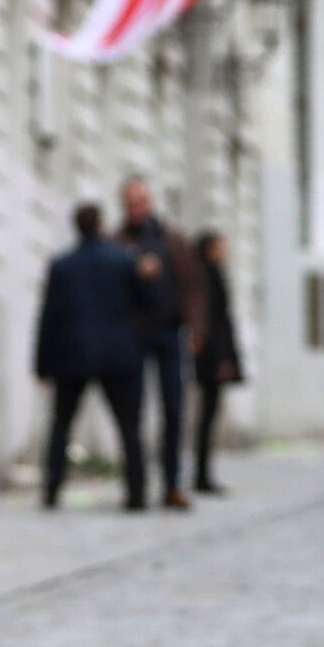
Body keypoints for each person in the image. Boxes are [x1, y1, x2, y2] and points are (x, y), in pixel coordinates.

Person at [36, 204, 149, 509]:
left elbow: (49, 316)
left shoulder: (62, 266)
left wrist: (42, 363)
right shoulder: (123, 261)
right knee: (128, 426)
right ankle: (137, 493)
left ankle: (51, 490)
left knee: (61, 425)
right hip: (118, 354)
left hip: (73, 354)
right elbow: (142, 304)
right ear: (100, 225)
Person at [116, 178, 205, 510]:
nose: (136, 208)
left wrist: (195, 328)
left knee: (174, 409)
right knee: (132, 413)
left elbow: (193, 285)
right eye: (130, 203)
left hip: (169, 334)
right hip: (133, 338)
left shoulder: (172, 239)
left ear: (149, 202)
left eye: (141, 201)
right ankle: (136, 487)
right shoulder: (118, 240)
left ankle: (171, 484)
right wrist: (133, 269)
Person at [193, 230, 244, 495]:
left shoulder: (211, 275)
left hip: (211, 356)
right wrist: (223, 358)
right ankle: (201, 475)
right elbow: (217, 322)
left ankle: (202, 473)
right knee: (207, 416)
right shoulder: (209, 277)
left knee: (208, 416)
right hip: (211, 357)